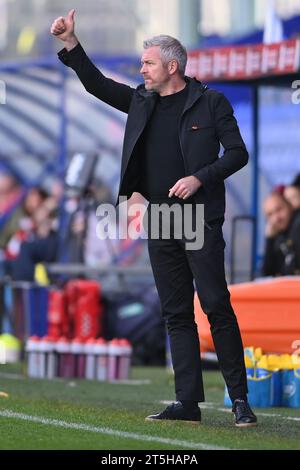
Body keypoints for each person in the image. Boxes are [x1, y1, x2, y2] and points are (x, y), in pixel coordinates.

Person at [50, 9, 257, 427]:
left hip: (199, 219)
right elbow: (98, 85)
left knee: (216, 304)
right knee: (176, 312)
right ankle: (187, 403)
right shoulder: (141, 101)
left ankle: (240, 400)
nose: (141, 69)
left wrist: (200, 178)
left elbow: (238, 154)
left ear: (172, 66)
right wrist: (71, 43)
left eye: (148, 63)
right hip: (161, 219)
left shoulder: (211, 102)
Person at [262, 191, 300, 276]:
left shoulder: (297, 225)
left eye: (279, 209)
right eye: (270, 214)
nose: (276, 218)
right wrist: (269, 239)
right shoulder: (279, 237)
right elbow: (267, 273)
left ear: (289, 206)